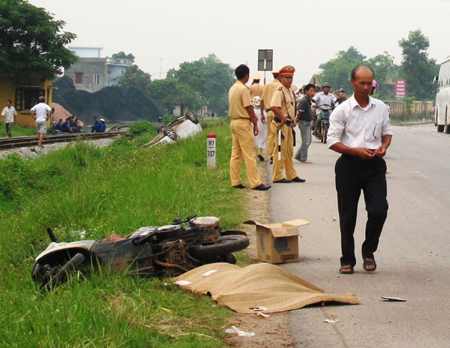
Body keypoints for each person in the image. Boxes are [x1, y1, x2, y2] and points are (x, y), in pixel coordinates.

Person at [327, 66, 393, 274]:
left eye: (369, 83)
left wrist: (384, 146)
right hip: (349, 165)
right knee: (348, 215)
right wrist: (355, 151)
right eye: (362, 83)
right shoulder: (342, 111)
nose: (366, 87)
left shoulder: (381, 107)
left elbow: (387, 132)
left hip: (374, 165)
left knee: (378, 210)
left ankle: (369, 250)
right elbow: (332, 141)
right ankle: (347, 258)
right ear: (352, 82)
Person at [228, 64, 270, 191]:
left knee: (236, 153)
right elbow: (248, 107)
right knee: (249, 154)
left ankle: (235, 180)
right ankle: (255, 182)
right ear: (246, 75)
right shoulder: (243, 89)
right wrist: (255, 122)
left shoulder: (233, 88)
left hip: (234, 122)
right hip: (243, 122)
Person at [270, 65, 305, 184]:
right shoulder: (280, 90)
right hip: (281, 125)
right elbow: (274, 106)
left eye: (291, 77)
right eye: (286, 77)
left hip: (289, 125)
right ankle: (278, 175)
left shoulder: (289, 90)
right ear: (280, 77)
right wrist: (283, 117)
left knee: (289, 151)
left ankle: (291, 174)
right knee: (279, 151)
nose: (289, 80)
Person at [260, 67, 281, 164]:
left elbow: (262, 100)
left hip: (268, 112)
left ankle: (271, 154)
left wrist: (261, 113)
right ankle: (276, 154)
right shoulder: (281, 85)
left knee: (270, 134)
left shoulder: (267, 85)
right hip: (278, 112)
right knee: (277, 134)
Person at [294, 84, 315, 164]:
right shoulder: (304, 101)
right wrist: (297, 120)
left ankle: (298, 155)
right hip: (303, 122)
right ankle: (303, 158)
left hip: (307, 121)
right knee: (306, 141)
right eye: (311, 91)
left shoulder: (308, 100)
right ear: (306, 91)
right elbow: (300, 112)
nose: (313, 93)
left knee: (308, 141)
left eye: (314, 91)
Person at [252, 96, 267, 161]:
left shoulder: (252, 112)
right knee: (262, 138)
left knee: (254, 139)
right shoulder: (263, 113)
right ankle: (259, 152)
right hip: (262, 128)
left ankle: (253, 154)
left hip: (254, 127)